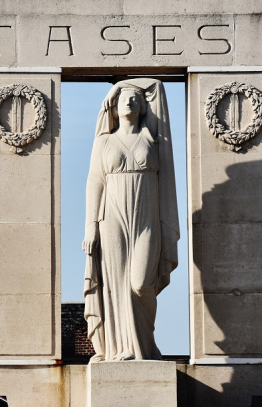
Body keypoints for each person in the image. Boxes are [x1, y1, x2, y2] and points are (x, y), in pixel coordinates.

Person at [82, 79, 179, 361]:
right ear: (113, 105)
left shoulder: (154, 138)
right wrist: (91, 226)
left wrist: (120, 85)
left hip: (146, 220)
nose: (129, 102)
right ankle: (122, 347)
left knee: (139, 283)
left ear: (144, 107)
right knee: (116, 284)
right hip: (111, 218)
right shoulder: (104, 141)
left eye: (135, 99)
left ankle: (145, 344)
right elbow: (94, 182)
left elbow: (156, 86)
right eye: (123, 98)